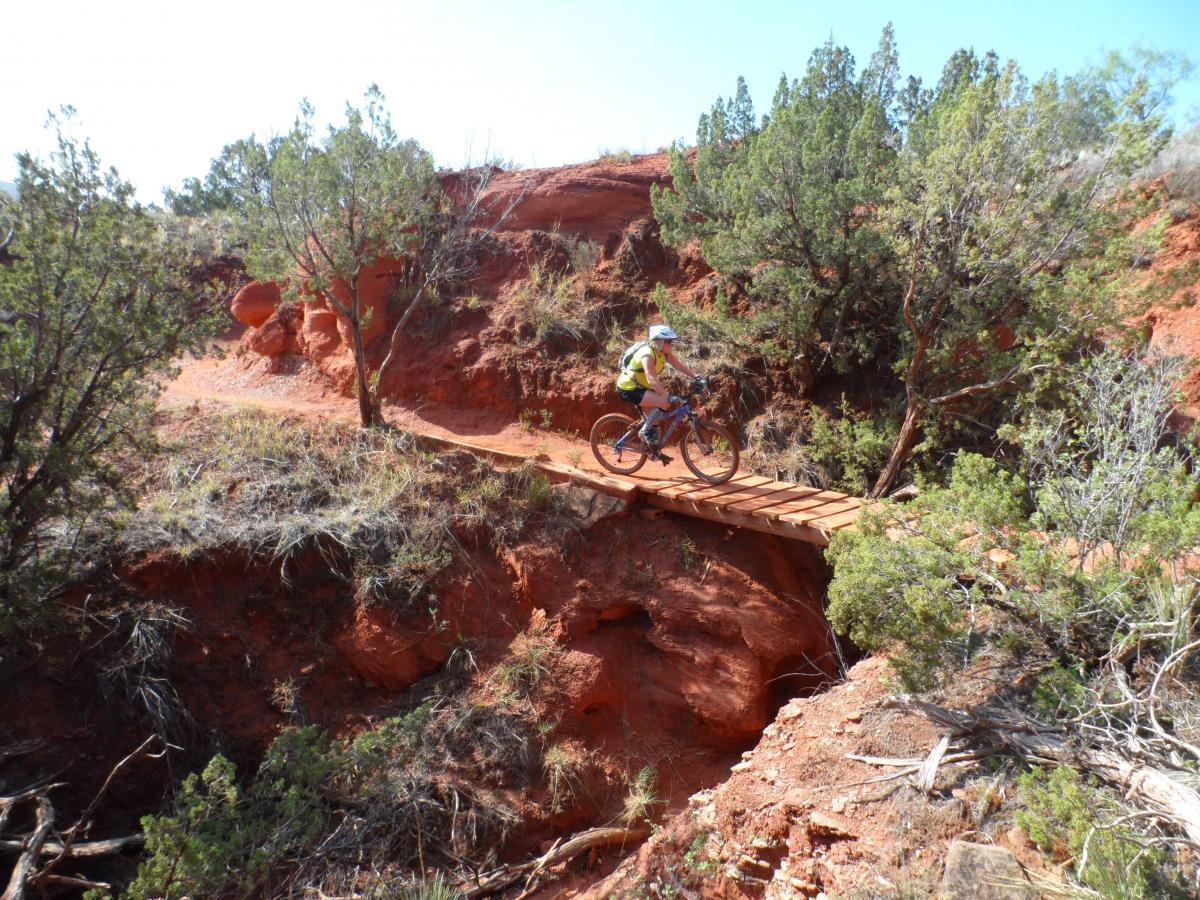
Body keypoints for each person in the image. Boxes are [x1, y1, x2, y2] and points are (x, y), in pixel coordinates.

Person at [616, 324, 705, 446]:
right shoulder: (647, 354)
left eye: (671, 341)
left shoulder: (664, 353)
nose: (671, 344)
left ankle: (654, 450)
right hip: (629, 388)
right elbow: (651, 379)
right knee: (663, 401)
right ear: (659, 342)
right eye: (668, 341)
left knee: (656, 418)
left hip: (642, 387)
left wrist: (696, 377)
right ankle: (644, 432)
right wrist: (666, 395)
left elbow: (678, 366)